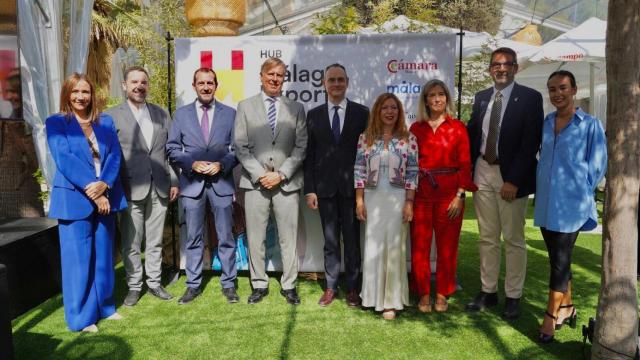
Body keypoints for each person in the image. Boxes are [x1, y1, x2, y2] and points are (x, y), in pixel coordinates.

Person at [466, 47, 544, 320]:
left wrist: (513, 180)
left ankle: (513, 295)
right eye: (496, 65)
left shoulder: (530, 98)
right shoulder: (481, 97)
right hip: (482, 172)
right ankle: (488, 291)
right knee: (487, 237)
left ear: (515, 68)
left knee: (513, 239)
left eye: (507, 64)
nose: (501, 69)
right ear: (490, 69)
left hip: (510, 177)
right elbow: (474, 131)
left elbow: (530, 142)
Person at [45, 73, 127, 332]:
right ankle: (81, 317)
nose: (81, 97)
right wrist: (97, 192)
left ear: (93, 95)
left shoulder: (106, 121)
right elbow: (65, 159)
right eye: (75, 92)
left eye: (86, 92)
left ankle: (105, 306)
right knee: (78, 260)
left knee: (103, 256)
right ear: (67, 94)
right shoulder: (56, 122)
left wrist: (106, 184)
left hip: (106, 196)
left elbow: (114, 155)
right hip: (74, 199)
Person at [534, 70, 606, 343]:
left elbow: (598, 165)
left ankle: (550, 318)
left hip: (571, 206)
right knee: (558, 260)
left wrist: (578, 188)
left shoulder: (590, 124)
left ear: (574, 90)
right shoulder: (546, 122)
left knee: (560, 262)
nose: (557, 93)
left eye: (563, 88)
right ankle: (567, 307)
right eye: (552, 89)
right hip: (546, 203)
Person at [234, 57, 307, 305]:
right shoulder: (245, 106)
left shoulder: (296, 108)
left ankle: (289, 285)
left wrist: (282, 173)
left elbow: (301, 146)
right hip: (256, 183)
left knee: (289, 238)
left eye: (280, 75)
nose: (275, 79)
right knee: (256, 237)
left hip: (287, 182)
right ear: (262, 76)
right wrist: (260, 174)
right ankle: (258, 284)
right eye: (271, 75)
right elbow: (240, 146)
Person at [106, 66, 179, 306]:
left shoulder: (161, 114)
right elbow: (108, 155)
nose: (139, 86)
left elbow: (169, 151)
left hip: (160, 186)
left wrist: (175, 180)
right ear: (125, 85)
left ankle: (155, 283)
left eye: (143, 82)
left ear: (148, 86)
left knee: (156, 240)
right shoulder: (111, 116)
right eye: (134, 82)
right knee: (131, 242)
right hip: (129, 189)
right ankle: (134, 286)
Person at [167, 68, 238, 305]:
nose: (206, 87)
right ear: (194, 85)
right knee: (194, 237)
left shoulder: (230, 114)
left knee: (226, 236)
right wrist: (192, 163)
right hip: (192, 185)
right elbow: (173, 149)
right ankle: (193, 284)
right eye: (201, 83)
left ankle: (229, 284)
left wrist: (221, 165)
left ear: (216, 85)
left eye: (210, 83)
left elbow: (238, 149)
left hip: (222, 183)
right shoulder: (181, 115)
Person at [303, 63, 369, 307]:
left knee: (352, 242)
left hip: (354, 191)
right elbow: (309, 156)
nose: (336, 84)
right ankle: (331, 287)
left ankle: (353, 288)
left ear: (348, 82)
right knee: (330, 241)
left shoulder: (362, 113)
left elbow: (367, 153)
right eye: (332, 80)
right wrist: (310, 189)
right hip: (325, 191)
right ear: (324, 84)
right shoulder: (314, 115)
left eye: (341, 80)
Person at [409, 80, 477, 313]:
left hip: (450, 194)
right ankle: (424, 293)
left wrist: (460, 195)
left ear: (447, 98)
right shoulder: (416, 128)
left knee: (447, 248)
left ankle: (442, 293)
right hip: (421, 194)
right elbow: (409, 164)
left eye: (441, 94)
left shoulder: (458, 127)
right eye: (432, 95)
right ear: (425, 100)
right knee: (420, 247)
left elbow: (465, 165)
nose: (437, 99)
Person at [354, 93, 419, 320]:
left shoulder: (408, 139)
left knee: (394, 247)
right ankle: (371, 297)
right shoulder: (365, 138)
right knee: (372, 246)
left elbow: (412, 172)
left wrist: (409, 202)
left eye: (393, 108)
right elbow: (359, 170)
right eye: (385, 108)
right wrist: (359, 200)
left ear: (399, 112)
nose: (389, 112)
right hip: (372, 198)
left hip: (397, 198)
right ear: (377, 112)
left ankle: (392, 300)